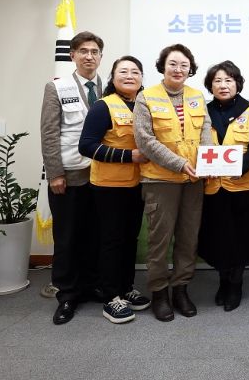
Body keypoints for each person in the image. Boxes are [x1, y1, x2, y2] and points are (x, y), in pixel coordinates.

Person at [133, 44, 212, 322]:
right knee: (159, 240)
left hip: (193, 180)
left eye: (184, 65)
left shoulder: (196, 96)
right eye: (173, 64)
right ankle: (159, 293)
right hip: (160, 180)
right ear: (162, 66)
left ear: (190, 69)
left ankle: (181, 289)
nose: (178, 69)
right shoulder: (146, 97)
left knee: (188, 238)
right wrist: (179, 163)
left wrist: (208, 161)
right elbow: (145, 140)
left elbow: (205, 131)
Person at [78, 56, 151, 324]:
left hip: (137, 185)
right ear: (113, 77)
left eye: (135, 72)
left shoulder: (144, 105)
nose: (130, 76)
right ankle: (110, 297)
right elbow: (86, 146)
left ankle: (126, 287)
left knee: (130, 238)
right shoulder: (103, 106)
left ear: (142, 78)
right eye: (123, 71)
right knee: (111, 240)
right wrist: (128, 156)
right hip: (109, 187)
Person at [40, 31, 104, 325]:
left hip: (102, 176)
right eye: (83, 51)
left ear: (100, 56)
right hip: (68, 176)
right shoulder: (57, 87)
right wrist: (54, 173)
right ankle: (67, 294)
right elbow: (49, 132)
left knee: (94, 234)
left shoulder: (109, 86)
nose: (89, 56)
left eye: (94, 51)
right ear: (72, 55)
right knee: (66, 237)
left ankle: (90, 285)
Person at [197, 60, 249, 312]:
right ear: (210, 86)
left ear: (237, 84)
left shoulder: (248, 110)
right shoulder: (203, 112)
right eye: (217, 81)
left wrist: (241, 166)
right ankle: (223, 281)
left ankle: (236, 284)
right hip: (213, 187)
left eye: (228, 80)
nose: (223, 85)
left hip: (240, 187)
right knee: (217, 237)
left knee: (240, 238)